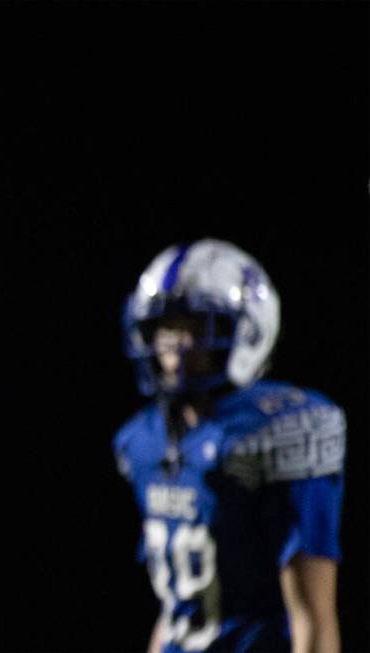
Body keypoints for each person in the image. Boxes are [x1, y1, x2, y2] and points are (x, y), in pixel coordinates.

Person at [114, 239, 344, 653]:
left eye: (193, 326)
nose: (173, 343)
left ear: (248, 328)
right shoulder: (144, 440)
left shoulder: (279, 431)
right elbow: (175, 608)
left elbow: (313, 616)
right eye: (166, 326)